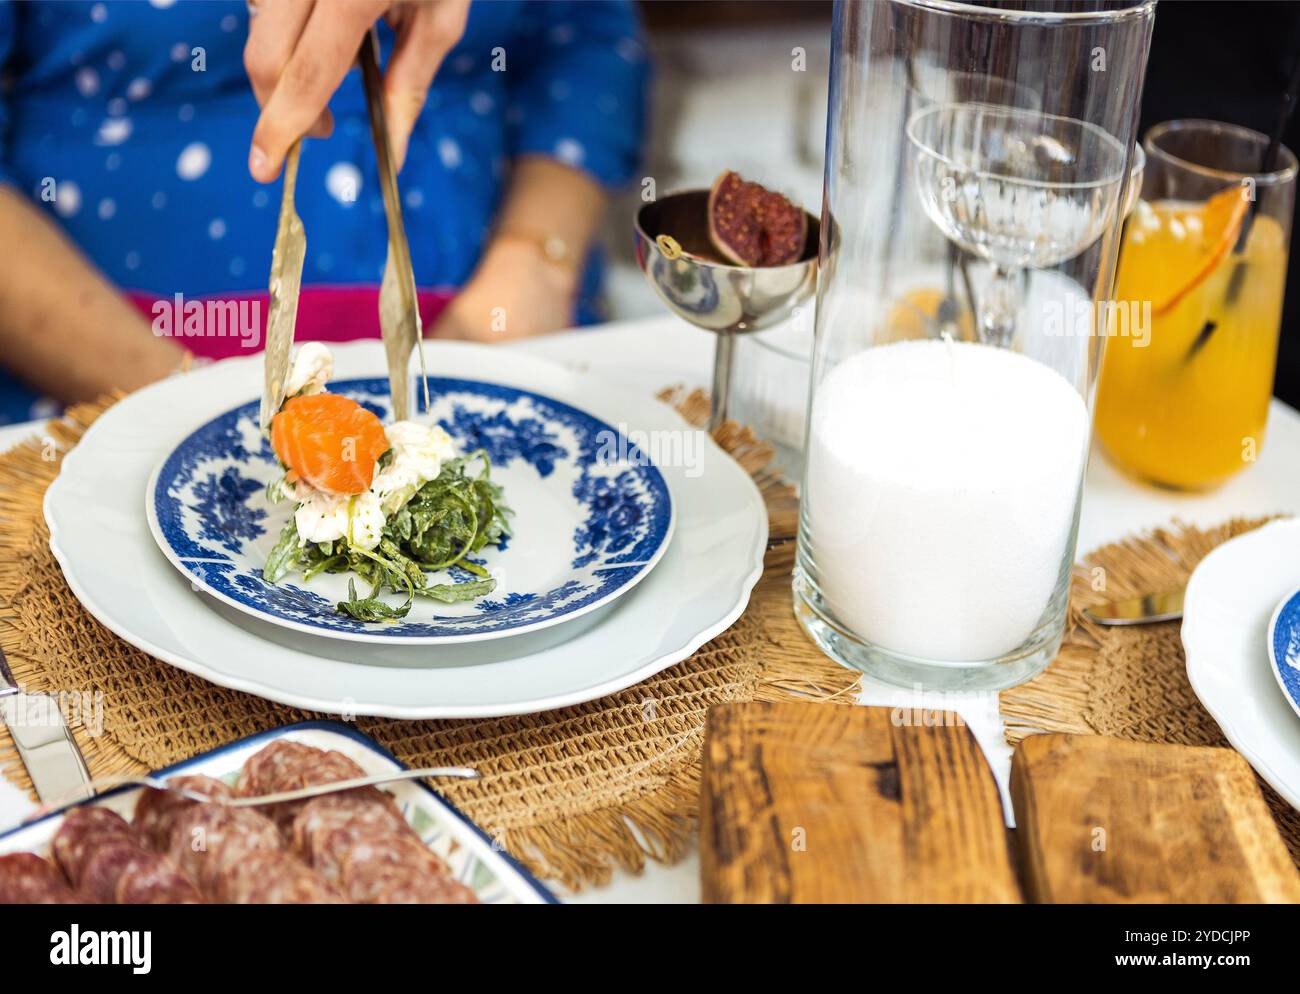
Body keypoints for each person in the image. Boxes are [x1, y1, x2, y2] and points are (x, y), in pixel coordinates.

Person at [0, 0, 649, 425]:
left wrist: (535, 264)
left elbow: (588, 36)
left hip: (504, 338)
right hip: (103, 380)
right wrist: (168, 402)